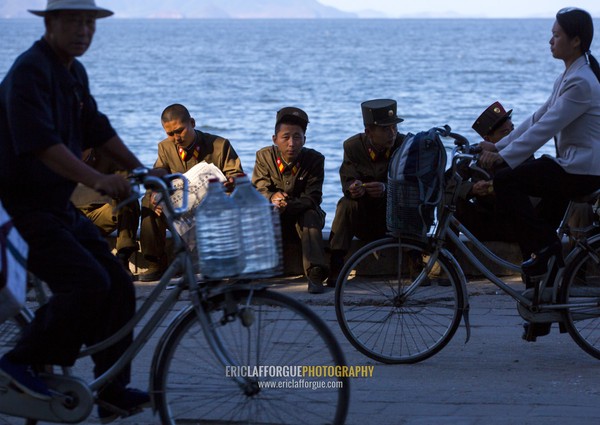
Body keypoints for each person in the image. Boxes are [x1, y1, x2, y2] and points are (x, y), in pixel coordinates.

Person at [0, 0, 150, 421]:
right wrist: (97, 179)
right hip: (19, 209)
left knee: (119, 284)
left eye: (89, 22)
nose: (84, 30)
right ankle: (17, 363)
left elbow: (96, 128)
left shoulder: (72, 71)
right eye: (73, 21)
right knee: (86, 284)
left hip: (56, 206)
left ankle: (110, 391)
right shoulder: (30, 71)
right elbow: (42, 144)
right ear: (50, 24)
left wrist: (141, 169)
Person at [479, 7, 600, 341]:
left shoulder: (581, 82)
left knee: (507, 184)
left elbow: (547, 128)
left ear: (576, 41)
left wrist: (502, 157)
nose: (550, 40)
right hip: (574, 165)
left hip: (583, 170)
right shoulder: (570, 75)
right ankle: (542, 310)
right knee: (532, 232)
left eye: (557, 34)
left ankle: (548, 250)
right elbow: (536, 118)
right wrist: (497, 147)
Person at [139, 103, 243, 281]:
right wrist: (155, 194)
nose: (176, 137)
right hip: (182, 205)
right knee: (148, 201)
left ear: (192, 123)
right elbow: (158, 176)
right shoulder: (165, 148)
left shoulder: (219, 145)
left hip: (212, 204)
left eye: (180, 131)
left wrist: (231, 182)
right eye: (170, 134)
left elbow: (237, 175)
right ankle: (155, 262)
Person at [327, 99, 405, 285]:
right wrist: (354, 188)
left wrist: (386, 189)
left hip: (394, 218)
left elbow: (410, 182)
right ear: (369, 132)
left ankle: (415, 260)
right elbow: (347, 180)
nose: (392, 134)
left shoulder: (404, 144)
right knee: (345, 204)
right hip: (365, 218)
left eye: (394, 128)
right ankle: (336, 263)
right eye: (386, 129)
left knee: (410, 201)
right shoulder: (353, 146)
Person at [252, 107, 329, 294]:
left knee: (311, 215)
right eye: (285, 137)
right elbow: (259, 187)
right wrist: (272, 197)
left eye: (297, 137)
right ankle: (254, 270)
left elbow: (314, 197)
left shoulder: (315, 159)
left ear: (305, 139)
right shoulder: (264, 156)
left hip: (302, 217)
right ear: (275, 139)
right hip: (274, 216)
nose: (291, 143)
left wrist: (288, 205)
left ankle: (315, 273)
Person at [446, 101, 518, 242]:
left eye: (513, 130)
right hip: (487, 222)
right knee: (449, 199)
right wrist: (472, 189)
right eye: (505, 133)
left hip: (516, 223)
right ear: (487, 139)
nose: (512, 136)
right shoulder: (476, 155)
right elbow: (447, 180)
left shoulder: (521, 152)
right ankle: (446, 254)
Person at [73, 148, 141, 277]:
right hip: (72, 218)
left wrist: (119, 187)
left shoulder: (107, 155)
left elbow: (129, 181)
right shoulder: (60, 156)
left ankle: (122, 257)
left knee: (129, 200)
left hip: (100, 214)